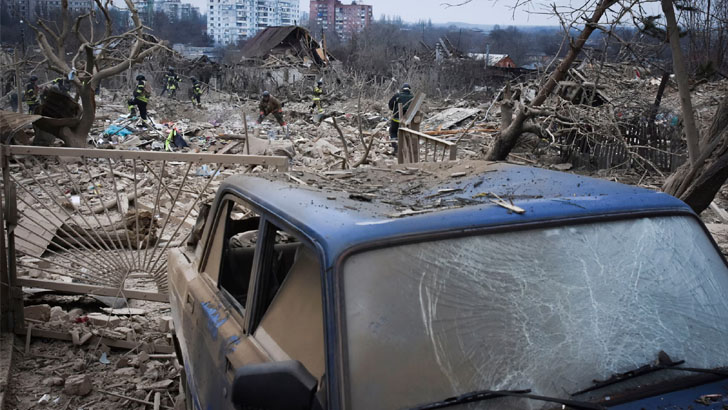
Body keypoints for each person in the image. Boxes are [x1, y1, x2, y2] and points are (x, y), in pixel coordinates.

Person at [387, 83, 414, 155]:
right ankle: (407, 149)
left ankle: (396, 148)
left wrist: (393, 109)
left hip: (396, 118)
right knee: (407, 133)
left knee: (393, 131)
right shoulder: (413, 97)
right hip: (408, 120)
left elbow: (390, 104)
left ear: (402, 89)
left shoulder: (397, 95)